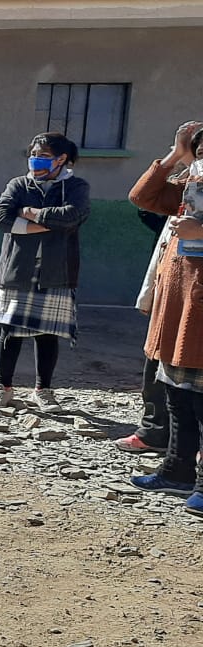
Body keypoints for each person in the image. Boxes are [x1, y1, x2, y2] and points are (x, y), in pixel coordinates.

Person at [127, 123, 203, 518]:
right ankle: (176, 470)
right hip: (177, 306)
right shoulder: (190, 187)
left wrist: (201, 230)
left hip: (199, 312)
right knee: (177, 396)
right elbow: (143, 196)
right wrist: (176, 157)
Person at [0, 132, 90, 413]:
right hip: (19, 269)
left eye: (44, 156)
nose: (36, 160)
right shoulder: (19, 184)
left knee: (48, 333)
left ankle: (43, 390)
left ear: (62, 159)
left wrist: (30, 213)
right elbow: (0, 218)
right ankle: (3, 387)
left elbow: (73, 215)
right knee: (10, 330)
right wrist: (47, 223)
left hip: (56, 271)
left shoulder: (76, 186)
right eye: (34, 154)